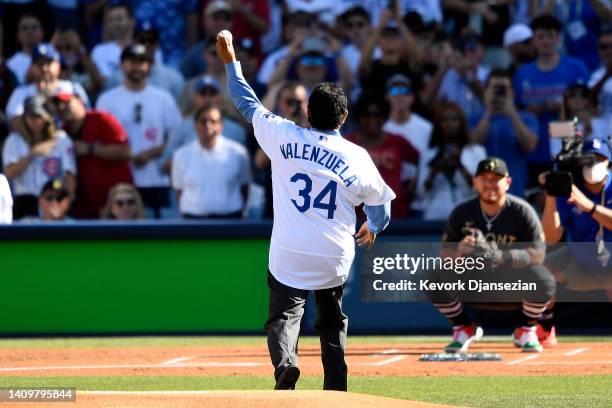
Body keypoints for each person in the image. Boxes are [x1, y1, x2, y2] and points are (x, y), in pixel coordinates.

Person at [217, 30, 395, 391]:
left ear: (308, 111)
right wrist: (373, 226)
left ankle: (285, 364)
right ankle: (336, 385)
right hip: (334, 253)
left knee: (284, 315)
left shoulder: (283, 135)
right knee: (331, 320)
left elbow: (244, 101)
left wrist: (230, 60)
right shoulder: (358, 156)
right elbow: (382, 205)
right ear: (344, 116)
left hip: (290, 251)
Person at [431, 157, 555, 353]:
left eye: (495, 179)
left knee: (544, 278)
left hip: (511, 283)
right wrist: (459, 252)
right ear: (475, 181)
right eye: (484, 179)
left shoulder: (522, 212)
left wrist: (501, 256)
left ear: (507, 183)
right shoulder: (462, 212)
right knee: (434, 275)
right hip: (475, 282)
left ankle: (525, 329)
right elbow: (445, 254)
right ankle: (463, 327)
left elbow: (538, 254)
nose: (489, 184)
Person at [539, 139, 612, 346]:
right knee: (540, 269)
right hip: (582, 261)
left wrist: (588, 206)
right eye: (589, 159)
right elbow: (552, 237)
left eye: (600, 159)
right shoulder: (569, 187)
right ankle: (545, 325)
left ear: (609, 163)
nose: (594, 164)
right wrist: (551, 195)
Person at [96, 44, 181, 219]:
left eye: (141, 62)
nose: (136, 67)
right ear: (122, 65)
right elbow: (100, 140)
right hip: (119, 177)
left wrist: (151, 152)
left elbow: (175, 139)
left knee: (157, 235)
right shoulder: (107, 99)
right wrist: (125, 154)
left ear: (149, 66)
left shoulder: (163, 98)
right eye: (131, 62)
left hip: (155, 178)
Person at [513, 14, 590, 186]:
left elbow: (589, 106)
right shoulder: (522, 74)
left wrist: (560, 107)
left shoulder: (577, 68)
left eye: (550, 36)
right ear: (533, 39)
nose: (545, 41)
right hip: (534, 150)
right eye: (540, 36)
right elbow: (518, 110)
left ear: (558, 38)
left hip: (570, 149)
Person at [50, 82, 133, 219]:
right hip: (86, 206)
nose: (61, 107)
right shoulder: (62, 132)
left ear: (80, 100)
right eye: (57, 103)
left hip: (117, 205)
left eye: (66, 101)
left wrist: (90, 149)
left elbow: (125, 151)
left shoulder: (101, 118)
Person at [2, 95, 76, 220]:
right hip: (26, 200)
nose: (36, 121)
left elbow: (70, 175)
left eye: (40, 116)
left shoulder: (61, 140)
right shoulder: (14, 141)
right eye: (32, 117)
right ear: (25, 118)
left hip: (55, 198)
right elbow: (8, 172)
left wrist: (66, 202)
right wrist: (32, 154)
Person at [346, 93, 419, 219]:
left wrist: (414, 184)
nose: (372, 119)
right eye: (367, 115)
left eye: (377, 115)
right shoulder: (347, 143)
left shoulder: (397, 141)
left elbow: (421, 161)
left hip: (397, 215)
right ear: (358, 117)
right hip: (359, 219)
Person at [172, 105, 251, 219]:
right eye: (203, 121)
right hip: (192, 221)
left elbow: (244, 187)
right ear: (195, 125)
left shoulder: (238, 153)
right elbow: (179, 190)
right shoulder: (181, 155)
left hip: (230, 220)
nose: (208, 125)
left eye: (213, 121)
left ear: (221, 125)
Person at [469, 69, 539, 198]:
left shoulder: (527, 118)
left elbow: (530, 145)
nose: (499, 94)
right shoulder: (474, 118)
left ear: (512, 93)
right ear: (486, 91)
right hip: (482, 192)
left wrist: (512, 113)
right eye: (495, 89)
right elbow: (473, 143)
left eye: (503, 89)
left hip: (515, 190)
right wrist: (489, 112)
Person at [419, 102, 486, 221]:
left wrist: (460, 166)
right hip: (435, 217)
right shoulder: (428, 154)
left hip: (468, 217)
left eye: (454, 119)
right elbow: (420, 193)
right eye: (445, 120)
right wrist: (435, 170)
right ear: (438, 125)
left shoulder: (476, 152)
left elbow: (482, 190)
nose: (450, 124)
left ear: (461, 123)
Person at [383, 74, 433, 216]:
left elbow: (429, 161)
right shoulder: (382, 130)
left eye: (405, 92)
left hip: (420, 202)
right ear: (387, 96)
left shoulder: (427, 128)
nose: (400, 96)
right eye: (394, 91)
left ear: (412, 97)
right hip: (392, 202)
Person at [5, 44, 90, 122]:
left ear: (58, 65)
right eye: (39, 64)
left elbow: (87, 117)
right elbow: (14, 122)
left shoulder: (73, 88)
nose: (44, 68)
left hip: (69, 136)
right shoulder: (21, 92)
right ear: (32, 67)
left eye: (49, 63)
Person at [6, 14, 46, 85]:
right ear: (18, 35)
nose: (29, 31)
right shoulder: (10, 64)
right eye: (24, 28)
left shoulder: (54, 56)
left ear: (42, 32)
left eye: (34, 27)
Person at [589, 26, 612, 124]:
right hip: (604, 131)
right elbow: (586, 100)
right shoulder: (595, 76)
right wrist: (607, 75)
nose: (609, 50)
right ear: (598, 50)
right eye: (604, 47)